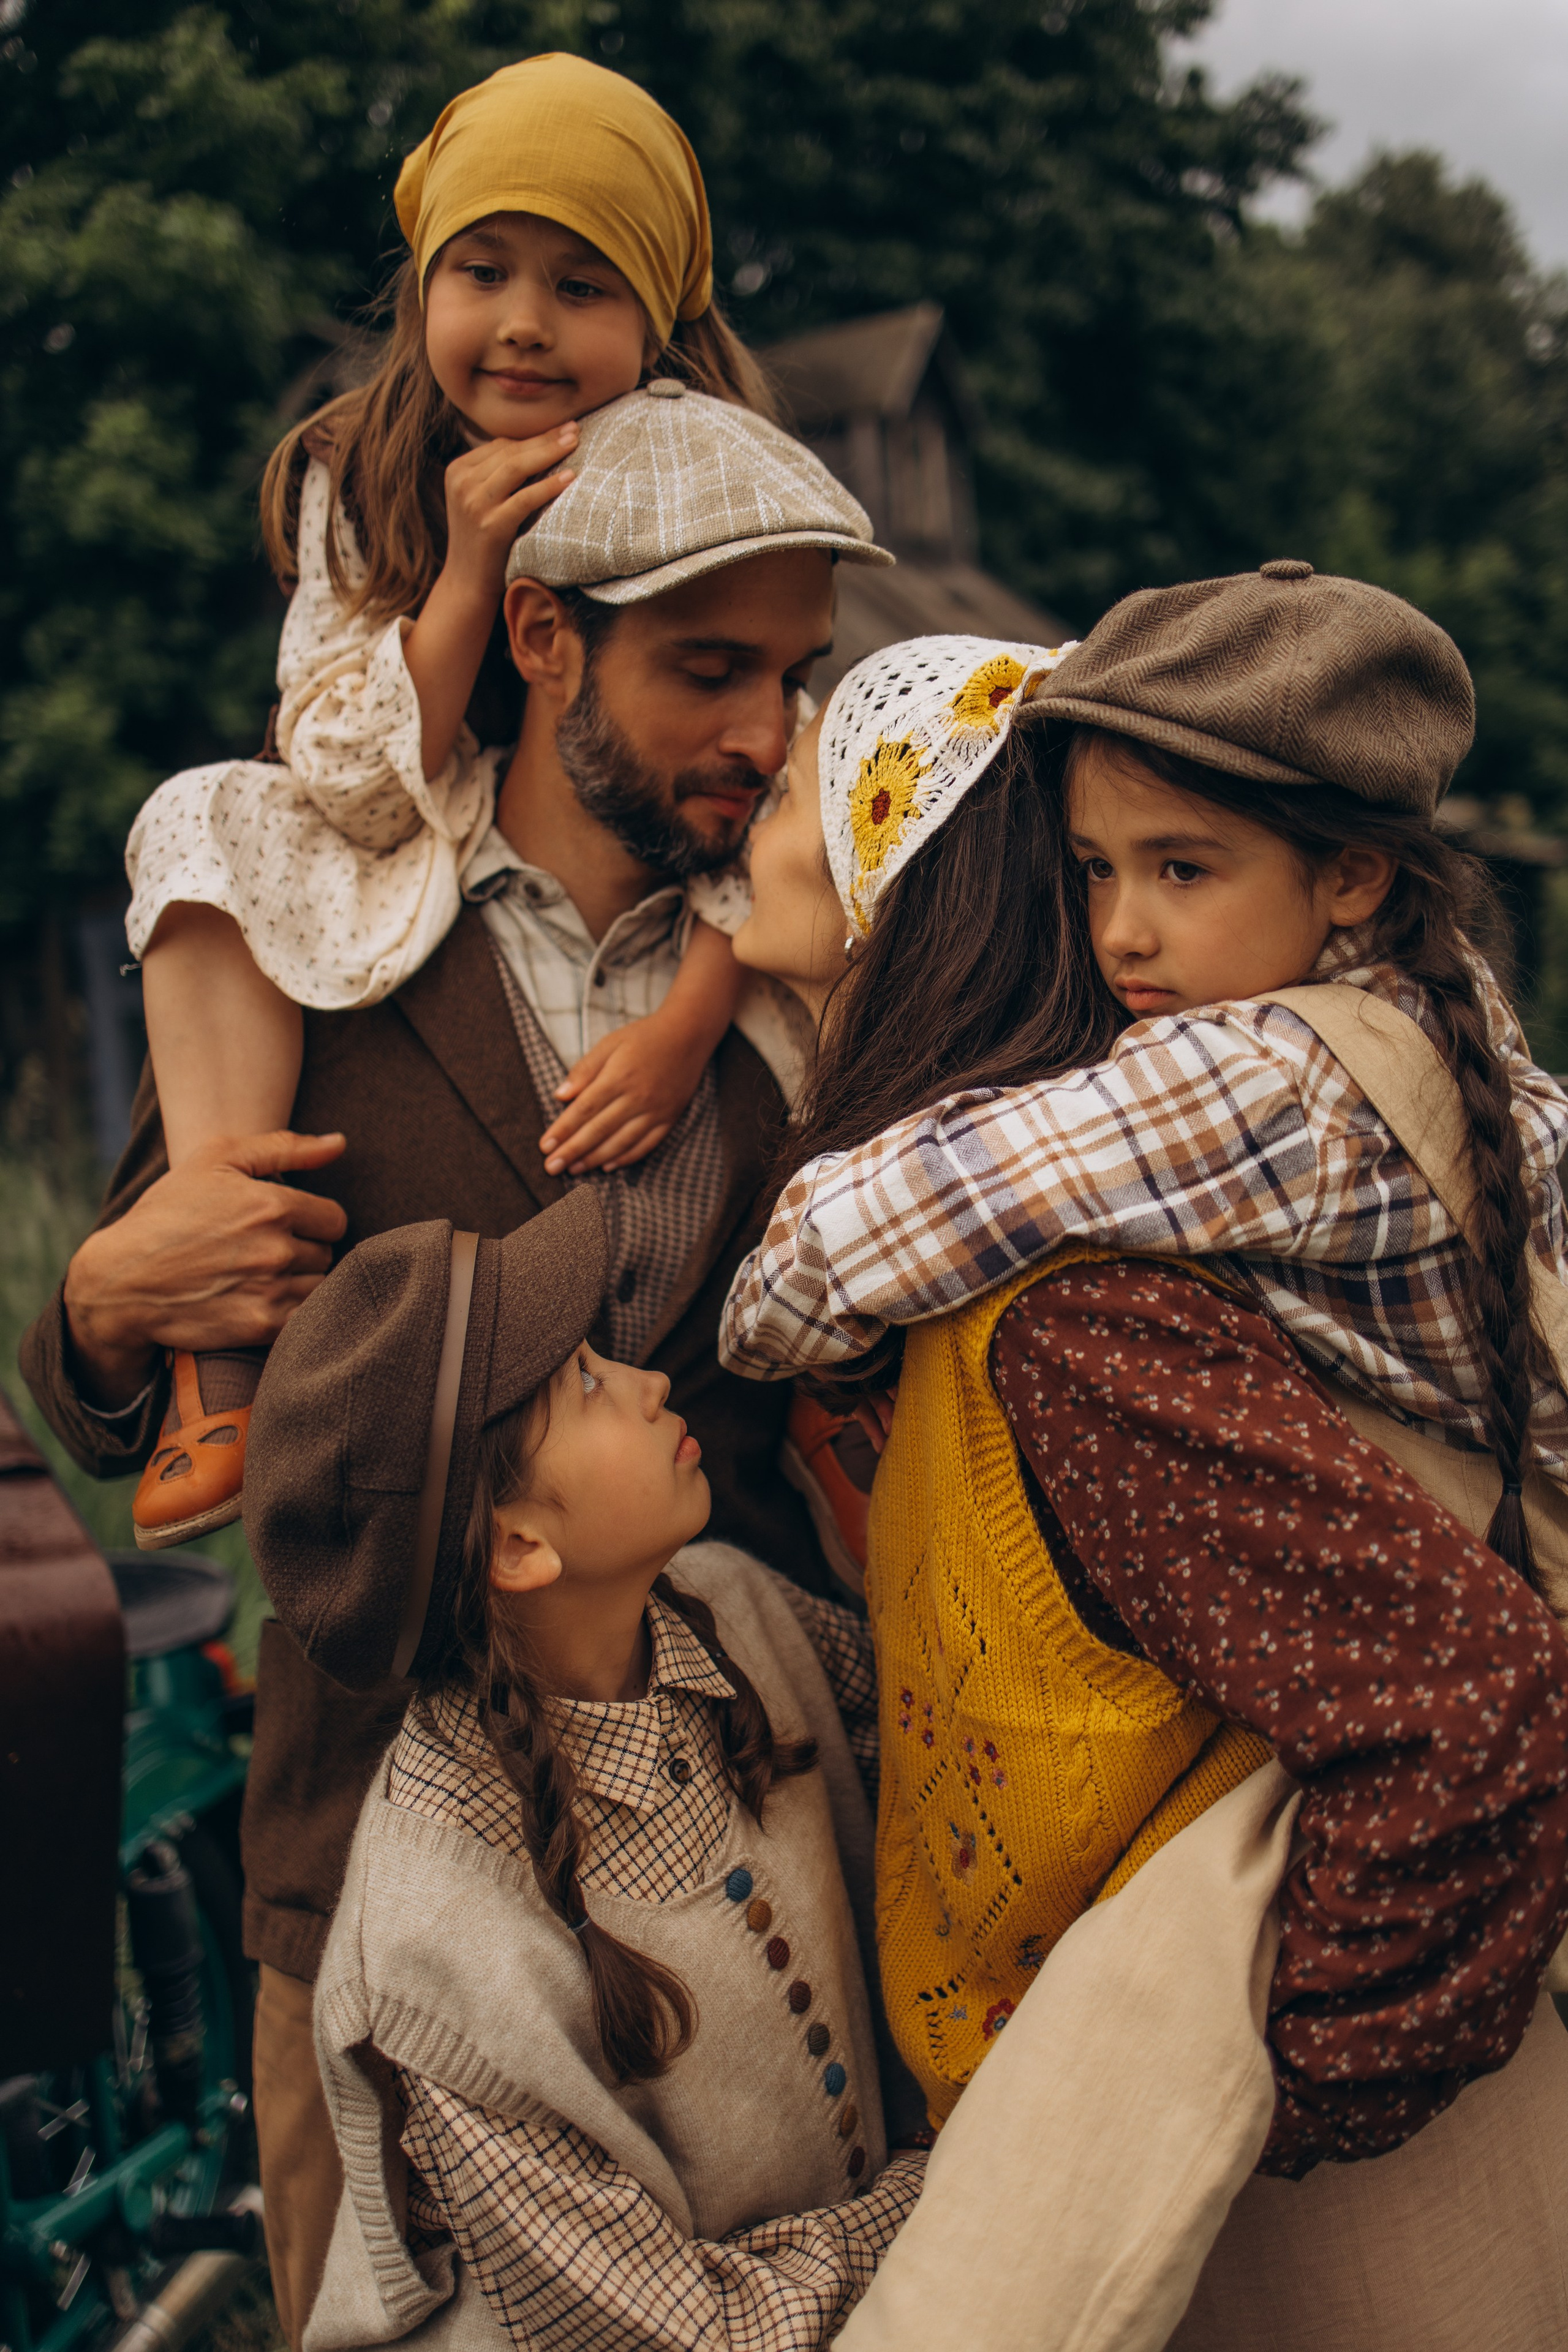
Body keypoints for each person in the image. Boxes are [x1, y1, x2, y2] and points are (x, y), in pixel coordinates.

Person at [18, 391, 881, 2346]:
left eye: (795, 677)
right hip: (357, 1864)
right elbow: (150, 1354)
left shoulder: (807, 969)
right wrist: (95, 1306)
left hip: (764, 1847)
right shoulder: (325, 927)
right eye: (708, 669)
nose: (762, 732)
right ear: (547, 636)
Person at [724, 628, 1568, 2347]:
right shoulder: (1411, 1060)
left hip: (1319, 2194)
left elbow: (1470, 1706)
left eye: (1180, 870)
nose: (1127, 929)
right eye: (1100, 871)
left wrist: (1287, 2080)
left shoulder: (1109, 1285)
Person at [241, 1194, 1317, 2352]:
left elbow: (968, 1775)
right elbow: (687, 2334)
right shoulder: (429, 1955)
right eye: (591, 1386)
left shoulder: (732, 1613)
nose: (649, 1382)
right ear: (516, 1546)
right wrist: (957, 2176)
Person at [119, 52, 840, 1546]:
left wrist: (688, 1026)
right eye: (484, 270)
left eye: (583, 287)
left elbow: (793, 799)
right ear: (546, 635)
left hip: (726, 1684)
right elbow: (340, 773)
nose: (523, 323)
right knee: (205, 814)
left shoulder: (720, 501)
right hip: (403, 801)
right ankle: (224, 1351)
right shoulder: (367, 468)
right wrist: (124, 1294)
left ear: (656, 322)